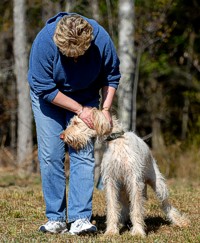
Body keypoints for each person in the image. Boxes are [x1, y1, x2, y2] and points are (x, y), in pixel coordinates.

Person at [28, 12, 121, 235]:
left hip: (86, 95)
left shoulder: (102, 40)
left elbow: (111, 76)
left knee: (83, 153)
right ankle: (56, 218)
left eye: (80, 54)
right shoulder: (44, 42)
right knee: (51, 153)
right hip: (50, 98)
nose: (75, 60)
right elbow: (45, 88)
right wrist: (80, 111)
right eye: (70, 56)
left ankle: (80, 218)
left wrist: (105, 109)